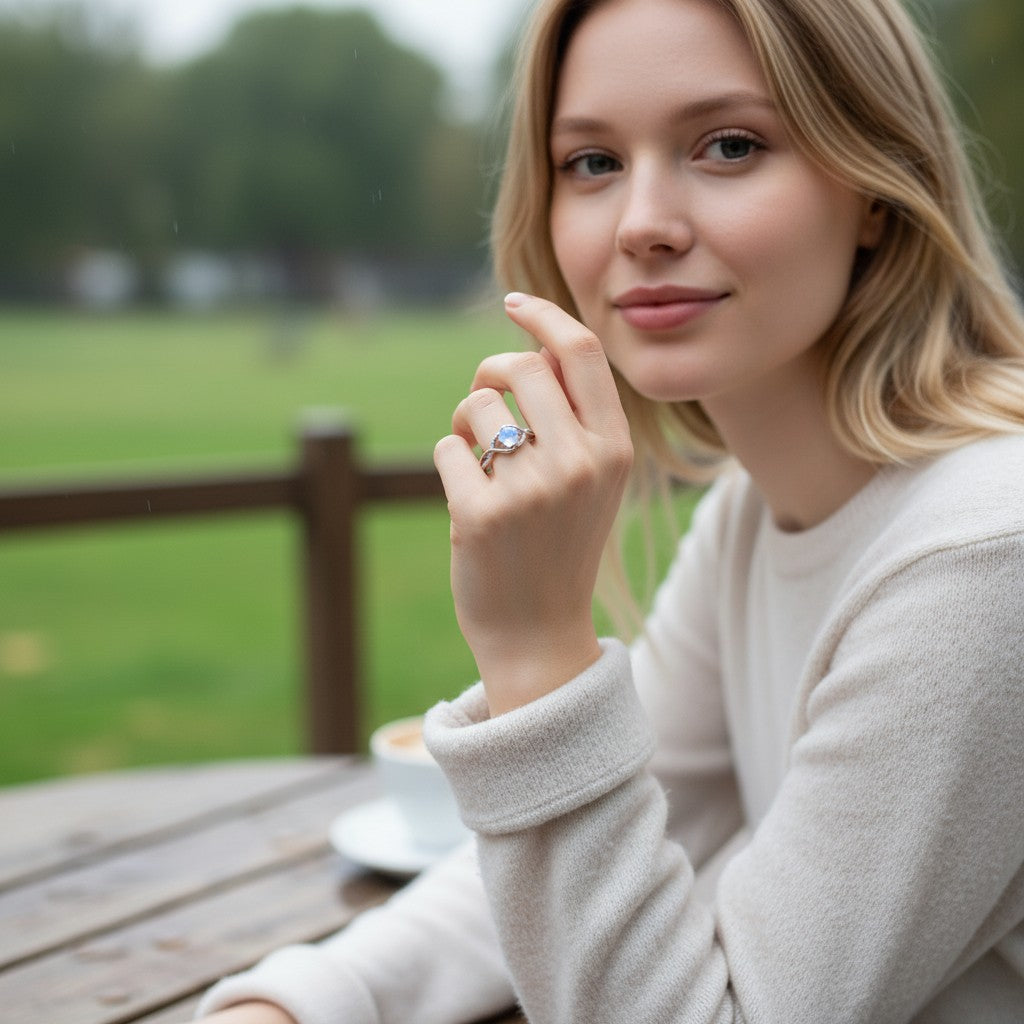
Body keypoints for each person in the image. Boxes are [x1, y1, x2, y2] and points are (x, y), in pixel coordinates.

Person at [193, 0, 1024, 1020]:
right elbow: (572, 848)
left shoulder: (983, 554)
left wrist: (537, 649)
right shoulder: (748, 521)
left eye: (728, 145)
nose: (642, 223)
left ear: (875, 192)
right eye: (591, 163)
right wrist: (301, 1000)